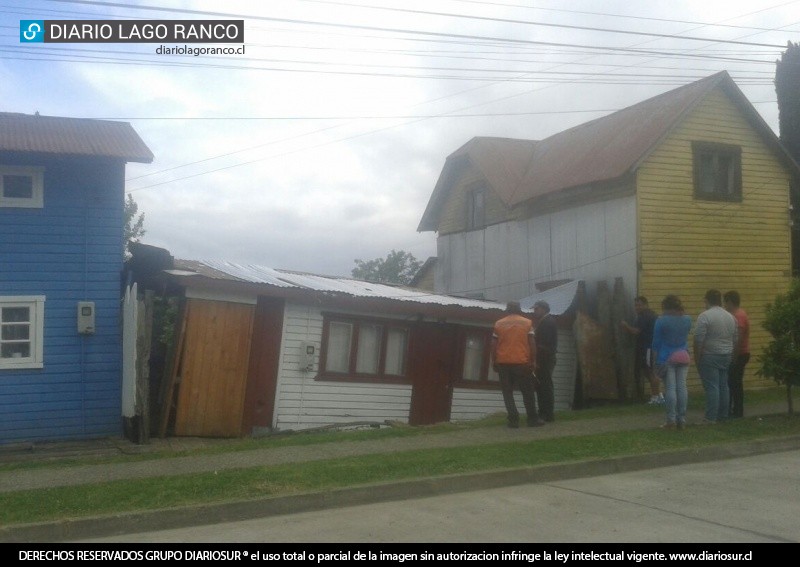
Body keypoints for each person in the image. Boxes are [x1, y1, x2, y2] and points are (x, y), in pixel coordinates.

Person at [491, 301, 545, 428]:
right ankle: (532, 419)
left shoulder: (499, 323)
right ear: (519, 310)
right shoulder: (527, 323)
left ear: (507, 310)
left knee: (507, 393)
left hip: (503, 363)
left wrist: (493, 361)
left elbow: (493, 345)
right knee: (528, 392)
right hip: (522, 363)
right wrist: (533, 361)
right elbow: (532, 343)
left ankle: (513, 420)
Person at [694, 289, 738, 424]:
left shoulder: (705, 316)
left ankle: (710, 417)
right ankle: (723, 415)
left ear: (707, 301)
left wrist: (697, 358)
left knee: (712, 387)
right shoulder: (731, 316)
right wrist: (733, 355)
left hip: (710, 355)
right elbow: (735, 338)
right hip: (726, 354)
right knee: (724, 386)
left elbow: (698, 339)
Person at [651, 295, 692, 430]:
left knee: (670, 389)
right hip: (684, 355)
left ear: (666, 307)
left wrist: (655, 363)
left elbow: (656, 344)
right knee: (682, 388)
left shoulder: (661, 321)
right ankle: (682, 419)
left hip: (667, 357)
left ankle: (671, 421)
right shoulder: (687, 319)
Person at [621, 296, 662, 404]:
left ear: (646, 305)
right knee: (648, 371)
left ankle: (655, 397)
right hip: (649, 347)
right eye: (635, 305)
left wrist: (625, 326)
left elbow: (636, 331)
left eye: (639, 305)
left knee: (650, 372)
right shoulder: (651, 314)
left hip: (648, 347)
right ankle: (658, 395)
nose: (637, 307)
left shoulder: (645, 316)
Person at [724, 290, 750, 419]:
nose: (724, 305)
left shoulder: (739, 315)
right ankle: (733, 409)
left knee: (734, 382)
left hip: (740, 353)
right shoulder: (735, 314)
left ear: (730, 302)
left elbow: (739, 338)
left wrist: (734, 356)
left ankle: (737, 410)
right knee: (733, 382)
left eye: (726, 302)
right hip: (738, 353)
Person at [532, 300, 557, 422]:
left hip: (545, 359)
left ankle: (547, 414)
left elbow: (544, 343)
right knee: (541, 386)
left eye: (536, 309)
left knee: (545, 386)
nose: (534, 311)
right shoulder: (545, 321)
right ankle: (543, 412)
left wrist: (533, 345)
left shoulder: (547, 322)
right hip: (544, 358)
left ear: (543, 309)